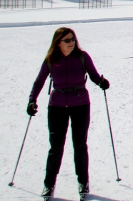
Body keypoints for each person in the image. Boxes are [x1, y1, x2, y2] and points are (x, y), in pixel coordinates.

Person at [28, 28, 110, 201]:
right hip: (57, 106)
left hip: (80, 104)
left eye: (72, 39)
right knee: (55, 148)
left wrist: (102, 82)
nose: (71, 42)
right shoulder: (51, 60)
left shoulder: (82, 57)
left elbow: (94, 76)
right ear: (58, 42)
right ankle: (49, 184)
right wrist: (32, 100)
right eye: (66, 40)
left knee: (80, 145)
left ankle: (83, 182)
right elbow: (39, 81)